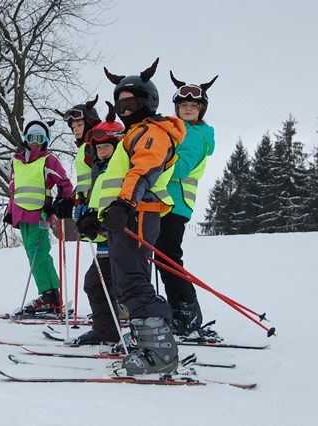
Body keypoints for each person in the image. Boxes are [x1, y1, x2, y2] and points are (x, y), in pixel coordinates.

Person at [79, 58, 186, 376]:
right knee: (125, 282)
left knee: (132, 281)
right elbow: (113, 183)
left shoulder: (151, 132)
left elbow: (143, 171)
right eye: (120, 104)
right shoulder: (134, 135)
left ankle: (160, 351)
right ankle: (147, 341)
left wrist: (124, 205)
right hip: (126, 214)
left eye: (132, 103)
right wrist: (98, 217)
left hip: (137, 213)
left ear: (148, 101)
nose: (125, 110)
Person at [153, 72, 218, 337]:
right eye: (183, 105)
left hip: (175, 202)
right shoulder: (177, 131)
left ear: (201, 109)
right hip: (162, 201)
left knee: (168, 257)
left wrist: (152, 158)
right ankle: (177, 310)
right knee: (162, 258)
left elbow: (180, 168)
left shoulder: (195, 135)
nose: (188, 109)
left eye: (193, 105)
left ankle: (187, 312)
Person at [4, 119, 73, 314]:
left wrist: (59, 202)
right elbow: (14, 189)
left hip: (40, 215)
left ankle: (51, 295)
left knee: (39, 254)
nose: (35, 142)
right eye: (31, 137)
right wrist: (10, 212)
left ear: (46, 141)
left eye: (39, 138)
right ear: (25, 139)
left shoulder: (48, 160)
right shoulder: (16, 161)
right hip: (20, 215)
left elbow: (65, 184)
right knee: (31, 254)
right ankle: (48, 294)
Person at [73, 102, 124, 345]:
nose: (102, 152)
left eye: (107, 147)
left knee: (107, 285)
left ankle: (123, 332)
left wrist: (100, 219)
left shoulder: (121, 170)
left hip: (121, 239)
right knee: (97, 284)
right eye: (99, 148)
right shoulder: (102, 172)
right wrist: (87, 215)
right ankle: (107, 330)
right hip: (105, 240)